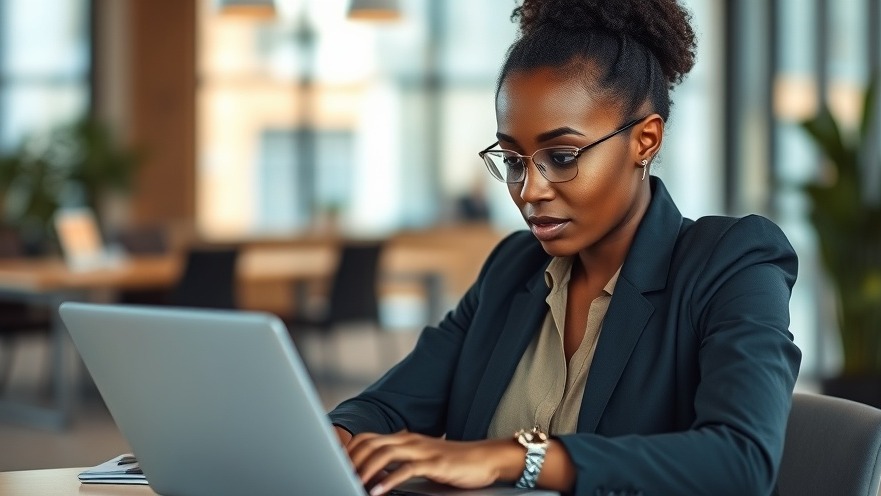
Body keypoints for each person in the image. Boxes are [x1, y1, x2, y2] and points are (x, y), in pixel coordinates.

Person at [329, 0, 801, 494]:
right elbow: (385, 406)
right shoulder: (513, 270)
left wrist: (517, 457)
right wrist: (337, 436)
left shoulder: (731, 263)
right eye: (514, 160)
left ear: (645, 140)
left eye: (561, 156)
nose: (530, 190)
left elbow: (741, 461)